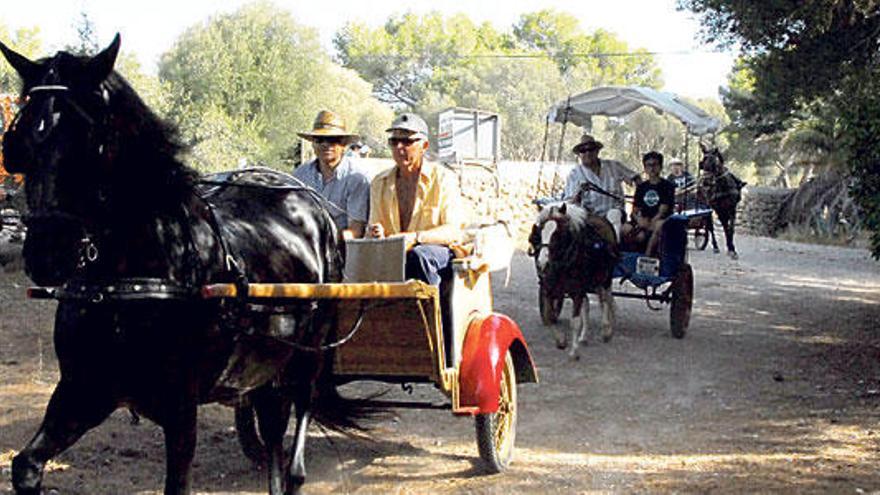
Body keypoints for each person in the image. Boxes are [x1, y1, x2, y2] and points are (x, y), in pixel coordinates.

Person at [367, 113, 463, 346]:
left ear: (424, 146)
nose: (400, 147)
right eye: (394, 142)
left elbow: (453, 231)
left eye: (407, 142)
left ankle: (434, 332)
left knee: (419, 256)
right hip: (393, 255)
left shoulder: (444, 179)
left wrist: (416, 238)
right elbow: (375, 228)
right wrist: (376, 233)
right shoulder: (379, 182)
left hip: (438, 255)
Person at [293, 110, 371, 238]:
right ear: (313, 143)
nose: (326, 144)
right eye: (320, 139)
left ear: (344, 144)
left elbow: (356, 231)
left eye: (332, 140)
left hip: (342, 251)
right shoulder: (300, 175)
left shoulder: (357, 178)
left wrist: (319, 239)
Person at [563, 134, 640, 240]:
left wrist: (639, 201)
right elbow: (569, 204)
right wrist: (579, 193)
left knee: (614, 214)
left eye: (591, 149)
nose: (588, 153)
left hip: (616, 213)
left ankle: (615, 246)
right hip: (591, 217)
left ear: (597, 151)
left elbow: (636, 178)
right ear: (579, 155)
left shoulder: (614, 166)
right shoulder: (574, 174)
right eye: (583, 151)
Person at [623, 151, 676, 256]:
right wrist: (639, 220)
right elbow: (634, 211)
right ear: (645, 168)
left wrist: (650, 223)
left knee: (659, 226)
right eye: (648, 165)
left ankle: (648, 255)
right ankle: (626, 258)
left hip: (660, 220)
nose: (652, 168)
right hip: (643, 219)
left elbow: (662, 211)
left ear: (660, 167)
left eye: (655, 165)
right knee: (625, 228)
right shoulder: (642, 187)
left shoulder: (667, 186)